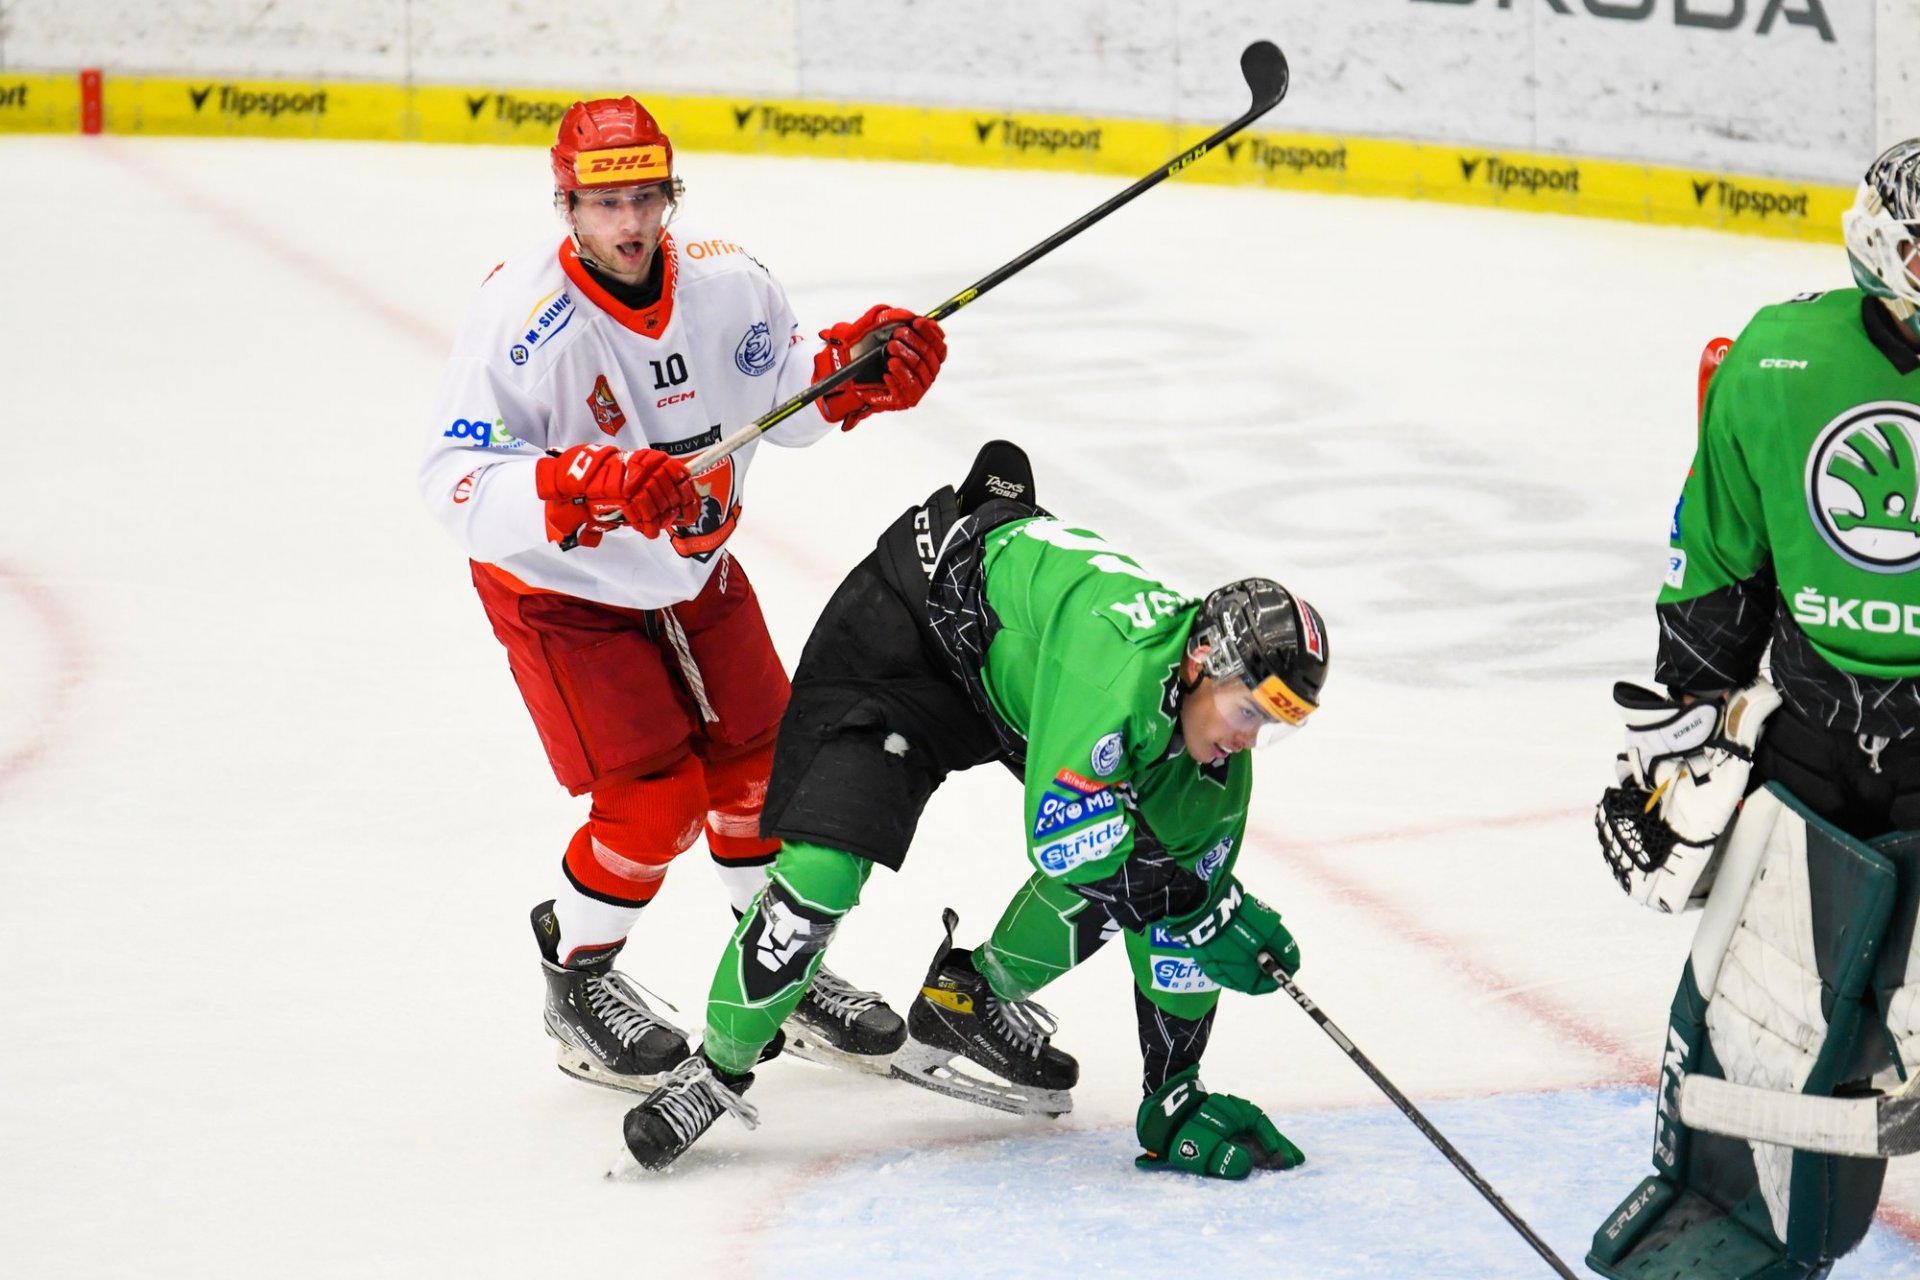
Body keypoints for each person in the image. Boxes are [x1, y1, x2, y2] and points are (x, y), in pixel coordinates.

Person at [417, 95, 949, 1096]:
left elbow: (782, 391)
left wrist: (850, 373)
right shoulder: (519, 322)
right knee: (652, 804)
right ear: (568, 205)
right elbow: (453, 482)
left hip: (694, 571)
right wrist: (583, 484)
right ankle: (577, 982)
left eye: (646, 198)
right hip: (563, 592)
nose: (630, 224)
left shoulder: (728, 282)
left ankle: (772, 970)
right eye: (605, 204)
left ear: (670, 194)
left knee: (766, 772)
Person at [612, 439, 1326, 1178]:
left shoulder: (1214, 764)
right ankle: (715, 1069)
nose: (1247, 740)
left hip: (1011, 671)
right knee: (822, 874)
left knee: (1147, 867)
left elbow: (1177, 915)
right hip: (908, 633)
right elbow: (1068, 837)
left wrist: (1174, 1094)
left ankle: (968, 998)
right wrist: (1196, 906)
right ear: (1201, 661)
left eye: (1273, 724)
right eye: (1248, 711)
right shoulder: (1117, 671)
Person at [1588, 139, 1920, 1280]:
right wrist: (1675, 747)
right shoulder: (1781, 359)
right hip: (1811, 744)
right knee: (1757, 1018)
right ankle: (1735, 1226)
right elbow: (1719, 565)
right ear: (1879, 242)